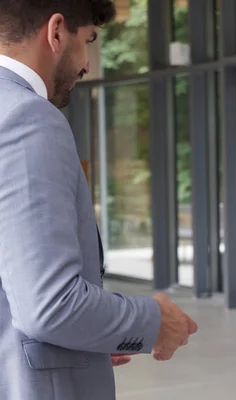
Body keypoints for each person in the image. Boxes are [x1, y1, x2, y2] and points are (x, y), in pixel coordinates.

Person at [0, 1, 197, 399]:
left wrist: (86, 334)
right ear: (56, 32)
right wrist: (154, 320)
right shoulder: (27, 117)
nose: (88, 63)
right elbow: (51, 306)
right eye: (88, 41)